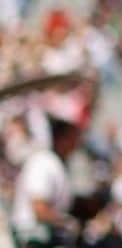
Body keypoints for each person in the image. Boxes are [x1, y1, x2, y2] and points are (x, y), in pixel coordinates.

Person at [11, 93, 85, 247]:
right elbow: (39, 208)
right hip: (32, 238)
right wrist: (67, 222)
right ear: (62, 138)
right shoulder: (44, 162)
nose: (76, 143)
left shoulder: (55, 163)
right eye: (73, 138)